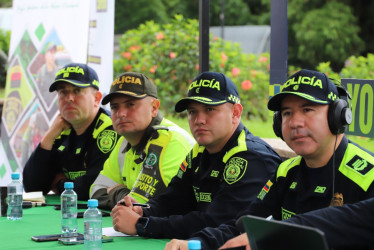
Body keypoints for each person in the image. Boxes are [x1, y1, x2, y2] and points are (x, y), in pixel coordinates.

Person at [165, 69, 374, 250]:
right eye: (287, 113)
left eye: (308, 109)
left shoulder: (368, 175)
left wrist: (283, 236)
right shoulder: (286, 171)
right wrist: (198, 243)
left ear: (337, 116)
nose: (294, 122)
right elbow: (243, 225)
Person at [110, 72, 281, 239]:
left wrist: (143, 224)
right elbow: (175, 198)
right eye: (192, 111)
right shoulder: (200, 150)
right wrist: (143, 210)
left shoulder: (250, 158)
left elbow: (216, 222)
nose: (199, 119)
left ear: (235, 113)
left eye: (209, 109)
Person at [90, 72, 195, 209]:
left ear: (154, 108)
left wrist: (116, 191)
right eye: (115, 107)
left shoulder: (170, 140)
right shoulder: (124, 142)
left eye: (130, 105)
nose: (120, 113)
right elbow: (95, 191)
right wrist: (126, 197)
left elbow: (140, 207)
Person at [23, 63, 119, 200]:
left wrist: (60, 185)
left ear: (97, 99)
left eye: (77, 91)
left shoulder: (109, 129)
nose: (69, 98)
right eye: (63, 92)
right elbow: (33, 187)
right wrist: (49, 136)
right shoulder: (60, 130)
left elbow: (95, 187)